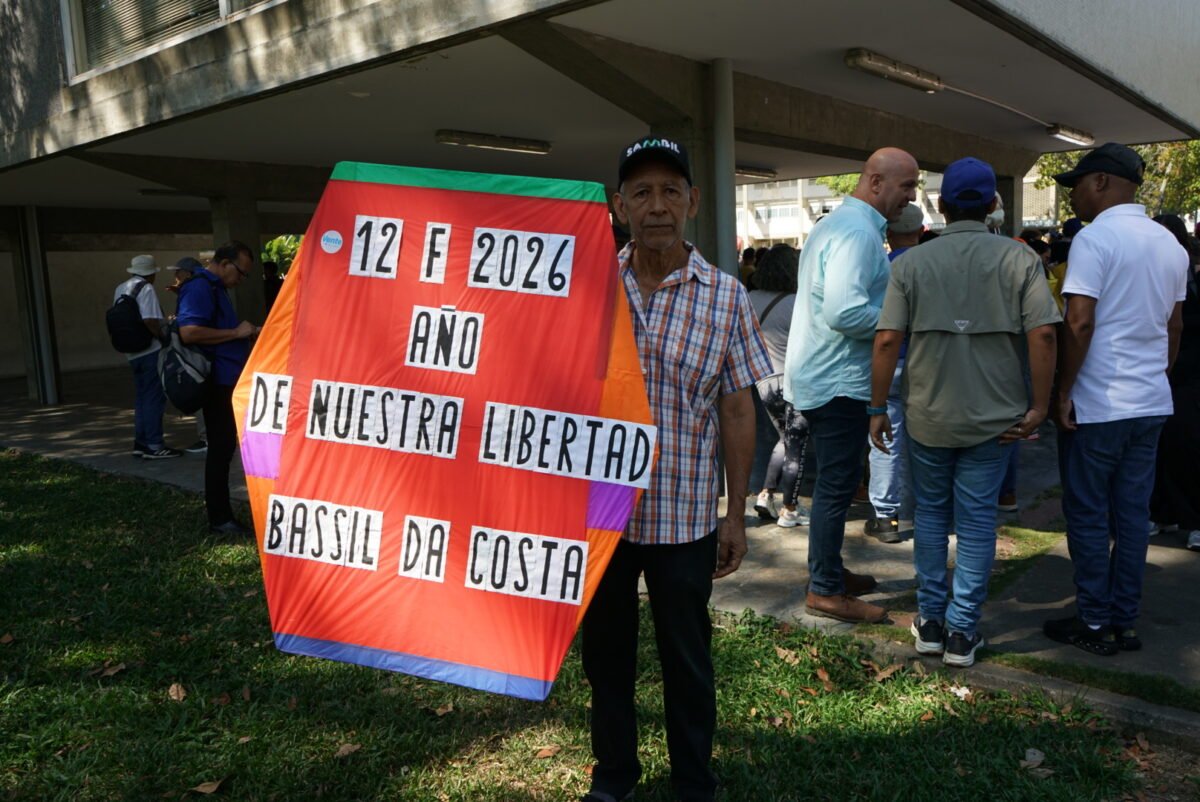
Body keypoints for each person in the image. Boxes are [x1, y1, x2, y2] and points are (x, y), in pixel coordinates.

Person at [580, 136, 771, 802]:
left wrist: (736, 513)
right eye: (641, 192)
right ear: (619, 205)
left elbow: (739, 410)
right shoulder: (585, 287)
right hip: (598, 515)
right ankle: (614, 775)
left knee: (687, 660)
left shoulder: (725, 297)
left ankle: (693, 780)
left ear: (692, 201)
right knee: (606, 659)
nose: (655, 206)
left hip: (683, 514)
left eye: (669, 191)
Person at [870, 157, 1060, 667]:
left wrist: (875, 406)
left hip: (929, 413)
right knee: (976, 522)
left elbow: (887, 339)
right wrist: (1039, 405)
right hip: (994, 420)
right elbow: (1043, 334)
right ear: (994, 203)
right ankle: (961, 632)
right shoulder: (1021, 260)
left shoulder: (909, 263)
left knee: (930, 515)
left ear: (941, 205)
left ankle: (930, 622)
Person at [1045, 143, 1189, 655]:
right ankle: (1123, 621)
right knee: (1130, 515)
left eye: (1077, 186)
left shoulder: (1095, 238)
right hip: (1150, 401)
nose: (1073, 199)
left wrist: (1063, 391)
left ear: (1101, 182)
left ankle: (1093, 621)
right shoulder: (1171, 244)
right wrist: (1156, 375)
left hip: (1101, 403)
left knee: (1087, 514)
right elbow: (1174, 326)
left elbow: (1079, 321)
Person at [783, 147, 919, 624]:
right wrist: (898, 323)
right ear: (876, 182)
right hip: (838, 381)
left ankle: (830, 573)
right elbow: (844, 312)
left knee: (836, 486)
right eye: (907, 186)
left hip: (827, 375)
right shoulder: (858, 234)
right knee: (836, 489)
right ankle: (824, 590)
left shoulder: (842, 226)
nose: (912, 196)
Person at [177, 241, 262, 535]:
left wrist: (245, 335)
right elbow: (189, 332)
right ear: (224, 263)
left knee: (224, 448)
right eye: (241, 272)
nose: (241, 279)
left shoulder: (215, 288)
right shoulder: (200, 287)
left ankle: (222, 513)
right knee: (221, 448)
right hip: (216, 382)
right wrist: (236, 332)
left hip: (226, 379)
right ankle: (220, 517)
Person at [864, 202, 923, 544]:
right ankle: (925, 508)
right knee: (926, 439)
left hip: (890, 364)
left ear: (888, 233)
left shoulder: (882, 269)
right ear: (920, 230)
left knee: (885, 438)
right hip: (927, 364)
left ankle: (886, 517)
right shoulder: (932, 266)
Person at [1148, 214, 1200, 552]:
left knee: (1186, 446)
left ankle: (1193, 520)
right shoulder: (1159, 274)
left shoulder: (1186, 276)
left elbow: (1176, 326)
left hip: (1185, 374)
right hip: (1164, 373)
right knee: (1162, 447)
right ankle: (1163, 512)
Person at [748, 244, 809, 528]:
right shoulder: (797, 303)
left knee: (784, 440)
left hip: (762, 383)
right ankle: (790, 509)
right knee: (796, 445)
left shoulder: (750, 298)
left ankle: (765, 494)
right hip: (792, 383)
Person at [114, 254, 181, 460]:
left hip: (131, 351)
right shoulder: (146, 288)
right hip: (149, 350)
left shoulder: (120, 288)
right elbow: (150, 320)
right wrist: (162, 338)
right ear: (151, 273)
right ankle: (154, 444)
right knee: (154, 397)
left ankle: (141, 443)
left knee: (142, 397)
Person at [167, 256, 208, 454]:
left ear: (189, 273)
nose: (176, 275)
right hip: (197, 353)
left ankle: (207, 437)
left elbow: (192, 329)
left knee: (199, 391)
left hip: (198, 354)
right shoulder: (192, 289)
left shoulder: (195, 289)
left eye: (179, 271)